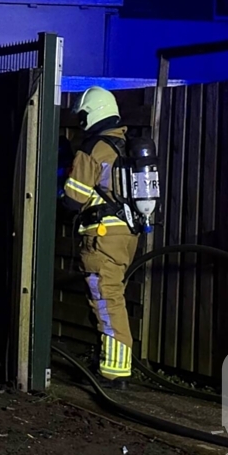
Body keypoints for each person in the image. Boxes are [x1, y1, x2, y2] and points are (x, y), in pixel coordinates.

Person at [61, 86, 140, 389]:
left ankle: (115, 372)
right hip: (126, 234)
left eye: (82, 117)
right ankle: (108, 358)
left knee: (107, 300)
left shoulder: (94, 148)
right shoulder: (124, 144)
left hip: (102, 236)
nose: (81, 123)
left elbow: (73, 200)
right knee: (111, 295)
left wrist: (63, 174)